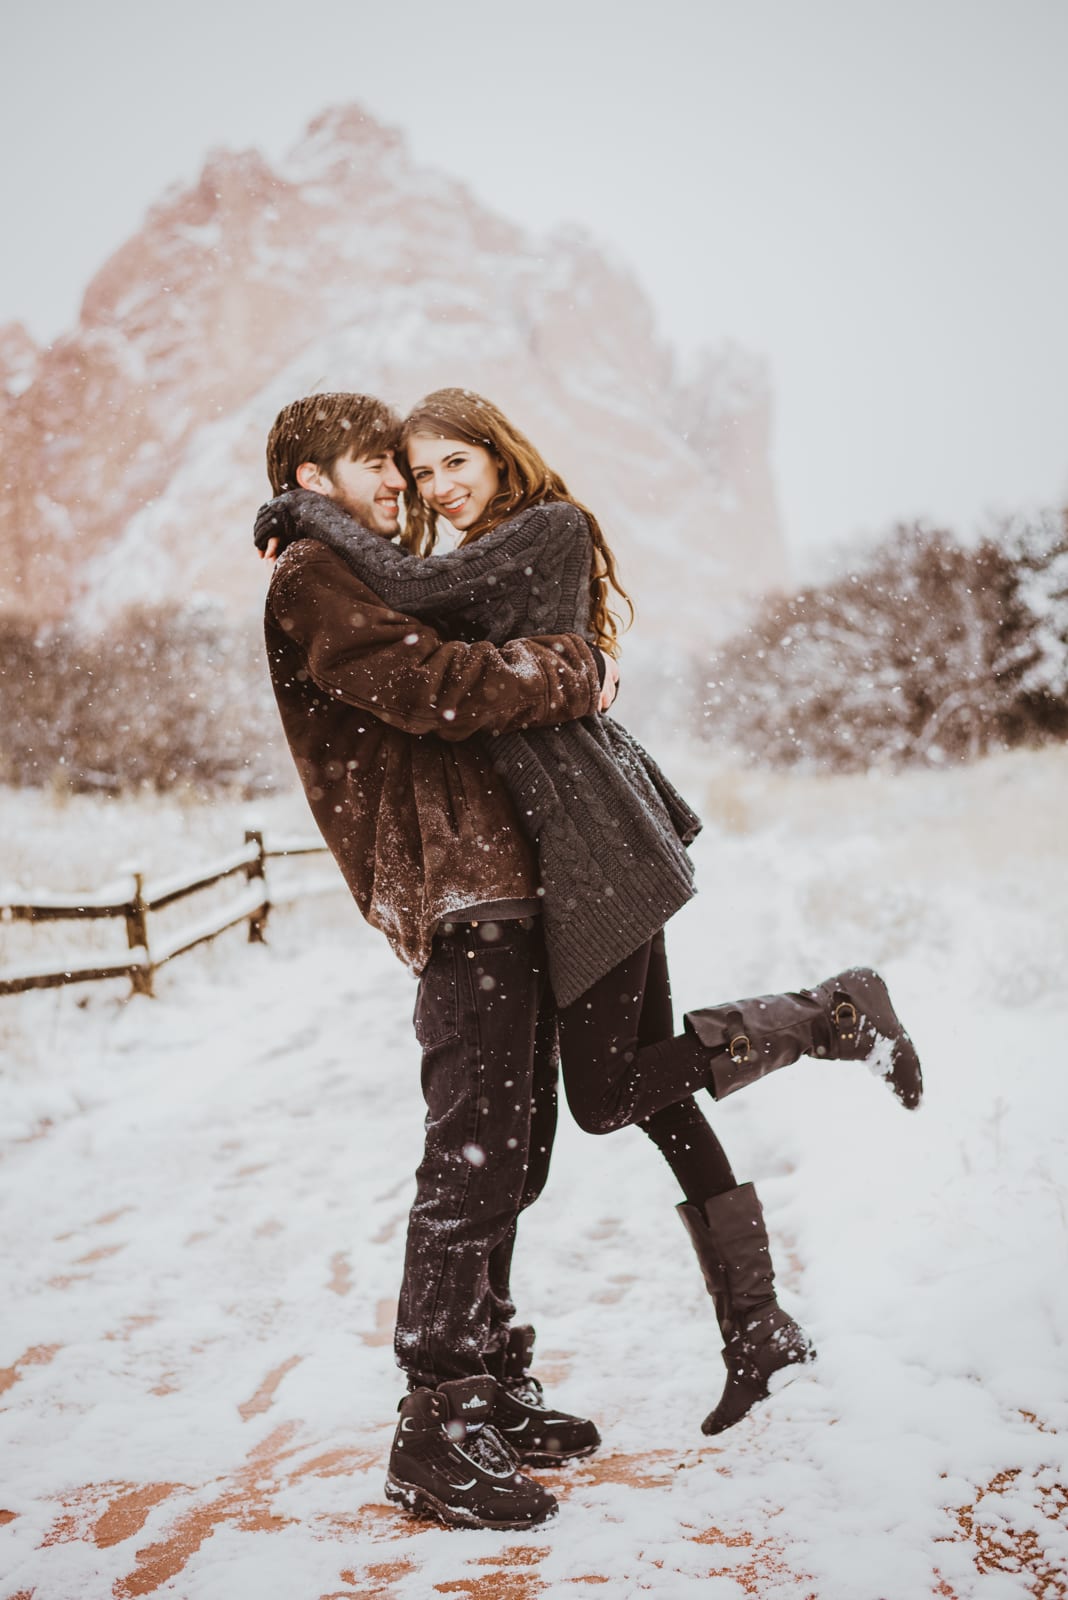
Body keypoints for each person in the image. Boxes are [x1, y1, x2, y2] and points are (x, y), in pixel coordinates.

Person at [256, 389, 923, 1530]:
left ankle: (495, 1382)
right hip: (463, 890)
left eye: (422, 468)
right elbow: (431, 682)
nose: (405, 492)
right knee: (481, 1149)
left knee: (517, 1147)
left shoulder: (423, 554)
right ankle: (439, 1417)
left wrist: (569, 667)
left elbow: (463, 630)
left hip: (522, 882)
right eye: (384, 468)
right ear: (315, 480)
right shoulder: (313, 573)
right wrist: (571, 669)